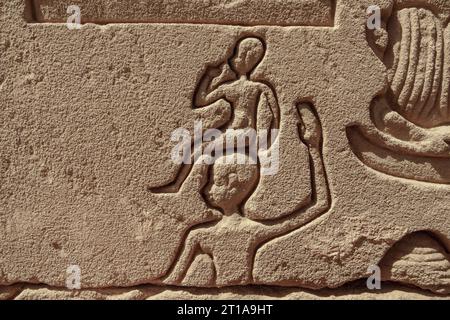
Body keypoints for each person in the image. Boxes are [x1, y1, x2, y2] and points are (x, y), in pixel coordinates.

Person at [163, 104, 330, 286]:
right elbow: (319, 204)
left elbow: (173, 280)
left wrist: (314, 147)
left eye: (215, 182)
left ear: (232, 186)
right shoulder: (250, 231)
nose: (207, 189)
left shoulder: (201, 235)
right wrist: (314, 148)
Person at [152, 37, 280, 193]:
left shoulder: (252, 88)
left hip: (246, 134)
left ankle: (178, 186)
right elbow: (202, 101)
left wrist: (209, 77)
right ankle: (178, 184)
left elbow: (202, 98)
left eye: (237, 56)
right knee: (195, 146)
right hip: (237, 132)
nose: (233, 59)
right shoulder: (241, 87)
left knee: (202, 148)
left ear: (247, 59)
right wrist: (210, 77)